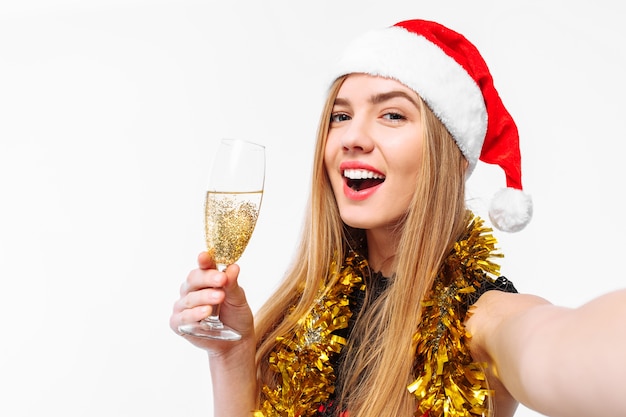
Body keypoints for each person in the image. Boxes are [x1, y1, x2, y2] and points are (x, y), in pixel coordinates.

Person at [170, 19, 626, 417]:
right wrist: (230, 357)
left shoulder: (479, 321)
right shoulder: (304, 316)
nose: (352, 136)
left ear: (453, 159)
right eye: (340, 115)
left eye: (391, 114)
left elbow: (561, 345)